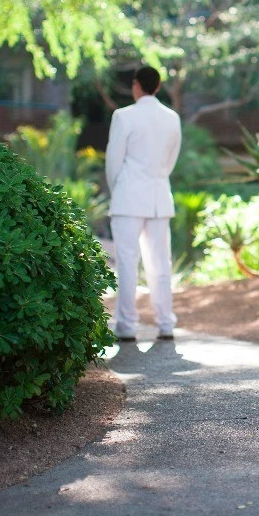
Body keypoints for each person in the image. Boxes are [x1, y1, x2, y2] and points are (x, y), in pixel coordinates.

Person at [105, 66, 182, 342]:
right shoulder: (172, 118)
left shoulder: (123, 116)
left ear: (136, 85)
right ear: (159, 87)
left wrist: (119, 189)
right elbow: (171, 160)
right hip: (159, 196)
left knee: (127, 262)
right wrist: (158, 179)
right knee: (161, 262)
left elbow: (114, 161)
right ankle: (165, 324)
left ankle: (126, 325)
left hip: (128, 197)